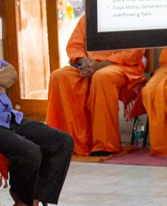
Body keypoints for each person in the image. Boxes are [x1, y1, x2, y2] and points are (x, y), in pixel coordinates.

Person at [46, 16, 146, 156]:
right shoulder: (90, 15)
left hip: (122, 66)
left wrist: (101, 65)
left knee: (102, 77)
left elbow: (133, 54)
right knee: (59, 76)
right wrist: (85, 62)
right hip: (89, 65)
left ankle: (104, 145)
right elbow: (74, 46)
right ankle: (66, 142)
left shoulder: (130, 14)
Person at [0, 60, 73, 206]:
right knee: (31, 152)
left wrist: (4, 77)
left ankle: (31, 202)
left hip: (10, 118)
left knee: (62, 142)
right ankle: (23, 198)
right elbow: (5, 76)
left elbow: (11, 73)